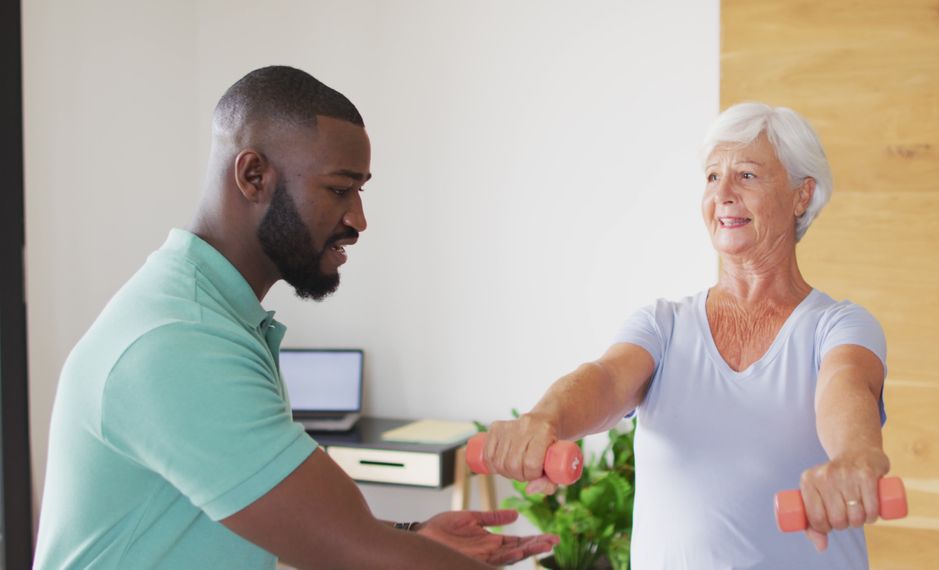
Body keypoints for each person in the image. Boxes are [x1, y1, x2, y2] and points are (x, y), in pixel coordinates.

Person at [34, 66, 556, 569]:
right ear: (253, 175)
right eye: (338, 189)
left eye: (360, 191)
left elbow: (273, 519)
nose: (358, 219)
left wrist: (407, 539)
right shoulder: (181, 340)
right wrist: (382, 550)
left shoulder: (211, 316)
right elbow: (353, 555)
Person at [482, 102, 890, 569]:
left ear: (802, 195)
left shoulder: (838, 326)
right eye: (713, 177)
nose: (724, 194)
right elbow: (607, 379)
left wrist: (854, 458)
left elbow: (846, 388)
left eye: (748, 176)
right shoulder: (664, 324)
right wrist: (545, 418)